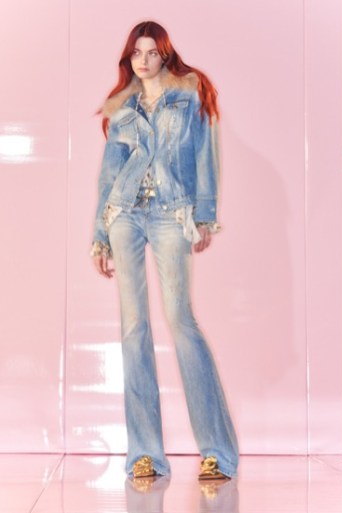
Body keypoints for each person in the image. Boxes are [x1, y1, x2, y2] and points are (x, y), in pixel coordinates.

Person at [91, 20, 238, 481]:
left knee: (181, 321)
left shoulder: (190, 96)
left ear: (165, 55)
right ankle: (145, 454)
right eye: (137, 52)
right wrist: (100, 234)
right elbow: (109, 174)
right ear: (129, 58)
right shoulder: (122, 108)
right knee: (133, 329)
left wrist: (204, 216)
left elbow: (205, 156)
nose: (144, 60)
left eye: (152, 52)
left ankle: (217, 452)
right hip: (125, 216)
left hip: (172, 214)